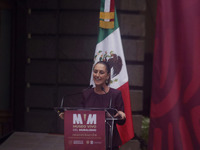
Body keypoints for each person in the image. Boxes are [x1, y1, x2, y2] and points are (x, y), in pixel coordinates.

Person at [59, 61, 126, 150]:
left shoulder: (115, 94)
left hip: (109, 143)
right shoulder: (86, 93)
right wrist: (68, 117)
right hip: (89, 142)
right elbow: (80, 115)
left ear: (108, 75)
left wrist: (121, 115)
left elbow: (121, 121)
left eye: (101, 72)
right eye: (95, 71)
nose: (97, 75)